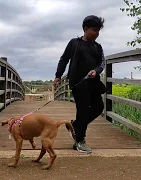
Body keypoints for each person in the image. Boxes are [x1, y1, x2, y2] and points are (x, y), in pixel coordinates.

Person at [53, 15, 106, 153]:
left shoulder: (98, 47)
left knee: (99, 107)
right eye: (94, 30)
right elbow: (64, 59)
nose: (97, 33)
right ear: (85, 28)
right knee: (82, 111)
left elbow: (102, 64)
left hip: (93, 83)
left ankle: (75, 125)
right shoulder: (74, 43)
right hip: (78, 83)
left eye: (98, 31)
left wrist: (96, 70)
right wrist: (58, 76)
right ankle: (79, 141)